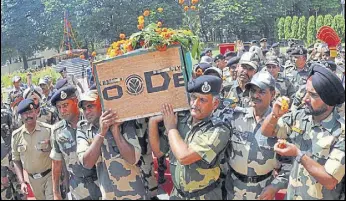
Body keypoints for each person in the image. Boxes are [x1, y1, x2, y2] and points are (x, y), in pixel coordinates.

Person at [261, 65, 345, 200]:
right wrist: (274, 115)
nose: (305, 98)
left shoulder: (340, 132)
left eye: (313, 95)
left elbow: (330, 180)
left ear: (328, 100)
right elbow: (266, 131)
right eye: (306, 92)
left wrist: (298, 154)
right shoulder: (300, 117)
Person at [149, 75, 231, 200]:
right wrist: (152, 122)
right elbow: (158, 152)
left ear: (215, 104)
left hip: (204, 196)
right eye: (193, 97)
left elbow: (184, 157)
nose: (195, 103)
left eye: (202, 100)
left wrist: (171, 128)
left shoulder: (218, 130)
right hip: (177, 195)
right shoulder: (180, 121)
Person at [224, 71, 291, 200]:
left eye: (261, 91)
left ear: (273, 94)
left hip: (262, 191)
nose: (255, 95)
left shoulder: (281, 124)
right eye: (253, 90)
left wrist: (274, 187)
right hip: (233, 190)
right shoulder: (236, 117)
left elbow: (289, 164)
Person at [76, 90, 147, 200]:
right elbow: (87, 163)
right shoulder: (83, 129)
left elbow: (133, 158)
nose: (87, 111)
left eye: (91, 106)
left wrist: (115, 131)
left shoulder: (123, 122)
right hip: (109, 196)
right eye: (84, 108)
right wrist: (101, 132)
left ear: (103, 104)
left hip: (135, 194)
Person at [50, 86, 102, 200]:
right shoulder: (57, 131)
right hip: (79, 190)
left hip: (101, 183)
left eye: (65, 105)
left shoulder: (91, 121)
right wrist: (56, 193)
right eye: (59, 107)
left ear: (75, 102)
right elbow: (56, 163)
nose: (62, 111)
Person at [11, 99, 53, 200]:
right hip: (33, 181)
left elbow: (58, 155)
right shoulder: (16, 136)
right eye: (24, 113)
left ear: (36, 112)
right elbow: (16, 160)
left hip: (50, 176)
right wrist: (22, 182)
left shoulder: (48, 130)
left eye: (30, 112)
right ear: (21, 116)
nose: (28, 116)